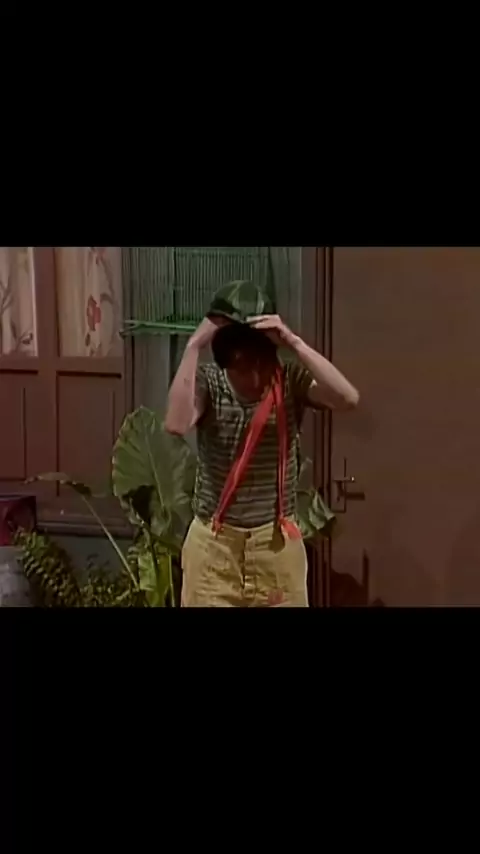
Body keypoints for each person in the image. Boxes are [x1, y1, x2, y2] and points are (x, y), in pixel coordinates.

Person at [165, 281, 359, 607]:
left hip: (276, 548)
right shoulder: (210, 382)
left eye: (258, 361)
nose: (252, 376)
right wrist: (193, 346)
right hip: (214, 549)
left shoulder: (289, 380)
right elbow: (176, 423)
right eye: (241, 366)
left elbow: (347, 398)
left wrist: (294, 342)